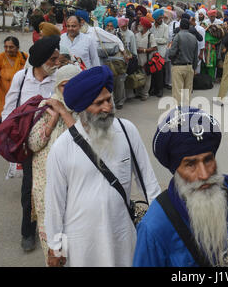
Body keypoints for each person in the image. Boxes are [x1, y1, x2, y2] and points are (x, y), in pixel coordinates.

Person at [45, 66, 161, 267]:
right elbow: (54, 202)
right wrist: (56, 246)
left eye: (109, 100)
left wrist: (163, 222)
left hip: (123, 234)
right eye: (99, 103)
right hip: (82, 243)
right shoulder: (62, 147)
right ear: (82, 109)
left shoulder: (127, 131)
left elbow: (149, 183)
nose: (107, 108)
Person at [133, 107, 228, 267]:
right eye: (190, 164)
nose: (203, 175)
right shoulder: (154, 228)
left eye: (208, 160)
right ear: (176, 170)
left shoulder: (225, 191)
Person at [2, 36, 61, 252]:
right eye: (53, 59)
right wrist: (12, 136)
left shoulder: (58, 79)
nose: (56, 63)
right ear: (42, 60)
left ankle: (55, 229)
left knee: (56, 187)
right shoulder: (22, 77)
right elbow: (9, 108)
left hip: (54, 144)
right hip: (28, 144)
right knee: (29, 188)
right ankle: (28, 231)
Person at [28, 65, 80, 266]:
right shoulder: (46, 107)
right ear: (58, 86)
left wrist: (66, 114)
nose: (69, 90)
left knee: (75, 248)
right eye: (65, 85)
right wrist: (53, 119)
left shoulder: (85, 109)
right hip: (46, 189)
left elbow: (87, 147)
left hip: (75, 191)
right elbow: (33, 144)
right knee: (53, 248)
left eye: (74, 85)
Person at [0, 37, 28, 122]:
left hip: (21, 98)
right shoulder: (1, 58)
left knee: (19, 122)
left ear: (17, 48)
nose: (8, 49)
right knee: (4, 122)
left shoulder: (24, 57)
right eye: (6, 47)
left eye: (11, 47)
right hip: (4, 98)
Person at [168, 18, 198, 106]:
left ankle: (178, 115)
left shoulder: (178, 36)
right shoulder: (193, 38)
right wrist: (194, 68)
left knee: (177, 92)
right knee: (187, 92)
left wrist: (170, 54)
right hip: (189, 67)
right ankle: (186, 113)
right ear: (188, 27)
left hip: (178, 66)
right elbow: (195, 56)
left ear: (180, 26)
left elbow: (171, 53)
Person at [135, 16, 157, 101]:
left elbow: (154, 47)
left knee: (147, 78)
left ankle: (144, 94)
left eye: (140, 24)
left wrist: (144, 50)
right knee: (138, 77)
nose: (138, 26)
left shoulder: (150, 36)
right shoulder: (136, 35)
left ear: (145, 26)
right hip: (138, 60)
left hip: (147, 61)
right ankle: (138, 93)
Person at [150, 9, 169, 97]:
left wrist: (154, 40)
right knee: (153, 71)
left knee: (160, 72)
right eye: (159, 18)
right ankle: (153, 89)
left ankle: (160, 90)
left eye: (161, 17)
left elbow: (165, 40)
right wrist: (155, 40)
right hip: (152, 52)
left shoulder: (165, 27)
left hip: (161, 53)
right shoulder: (151, 27)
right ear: (155, 19)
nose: (161, 19)